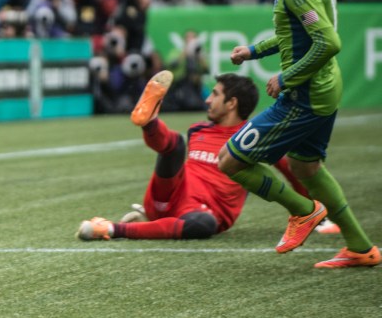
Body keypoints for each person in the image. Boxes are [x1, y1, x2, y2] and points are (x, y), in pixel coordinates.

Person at [217, 0, 379, 268]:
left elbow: (328, 42)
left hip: (304, 95)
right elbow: (298, 33)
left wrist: (287, 78)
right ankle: (360, 247)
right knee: (306, 168)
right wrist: (255, 51)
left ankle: (304, 211)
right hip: (325, 88)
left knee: (229, 160)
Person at [77, 71, 309, 241]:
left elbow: (289, 167)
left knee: (203, 225)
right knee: (176, 145)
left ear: (231, 103)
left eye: (215, 94)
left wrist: (307, 209)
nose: (207, 99)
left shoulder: (253, 136)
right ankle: (149, 123)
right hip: (165, 196)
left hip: (203, 214)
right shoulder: (199, 129)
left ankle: (111, 228)